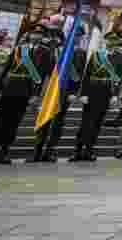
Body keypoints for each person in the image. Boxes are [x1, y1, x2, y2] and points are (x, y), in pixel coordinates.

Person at [0, 16, 60, 165]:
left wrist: (36, 95)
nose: (36, 36)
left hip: (26, 91)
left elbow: (47, 75)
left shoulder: (47, 52)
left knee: (14, 122)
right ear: (29, 35)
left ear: (43, 37)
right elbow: (6, 70)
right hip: (9, 88)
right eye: (34, 33)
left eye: (40, 34)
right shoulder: (18, 49)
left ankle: (4, 152)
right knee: (0, 121)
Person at [29, 17, 88, 163]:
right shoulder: (55, 51)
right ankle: (37, 151)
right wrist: (36, 93)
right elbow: (42, 72)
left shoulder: (81, 53)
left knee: (58, 122)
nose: (76, 38)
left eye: (79, 36)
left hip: (65, 92)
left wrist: (74, 93)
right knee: (44, 120)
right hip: (50, 89)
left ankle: (49, 152)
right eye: (74, 35)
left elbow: (79, 75)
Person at [71, 28, 122, 162]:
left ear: (116, 43)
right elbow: (86, 74)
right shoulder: (96, 54)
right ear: (105, 41)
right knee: (85, 122)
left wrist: (115, 95)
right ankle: (77, 150)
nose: (111, 42)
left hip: (106, 92)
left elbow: (119, 77)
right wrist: (83, 93)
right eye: (109, 40)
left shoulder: (119, 57)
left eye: (114, 41)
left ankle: (89, 150)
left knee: (98, 122)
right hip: (92, 90)